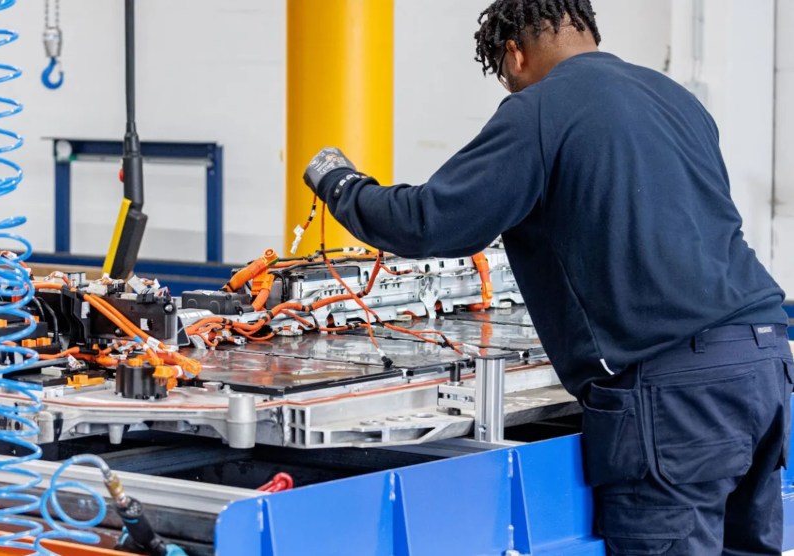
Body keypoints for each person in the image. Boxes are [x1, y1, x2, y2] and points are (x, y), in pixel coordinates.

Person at [301, 0, 793, 554]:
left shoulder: (540, 109)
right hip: (764, 364)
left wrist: (340, 183)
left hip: (676, 394)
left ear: (514, 54)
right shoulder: (675, 98)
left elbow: (429, 223)